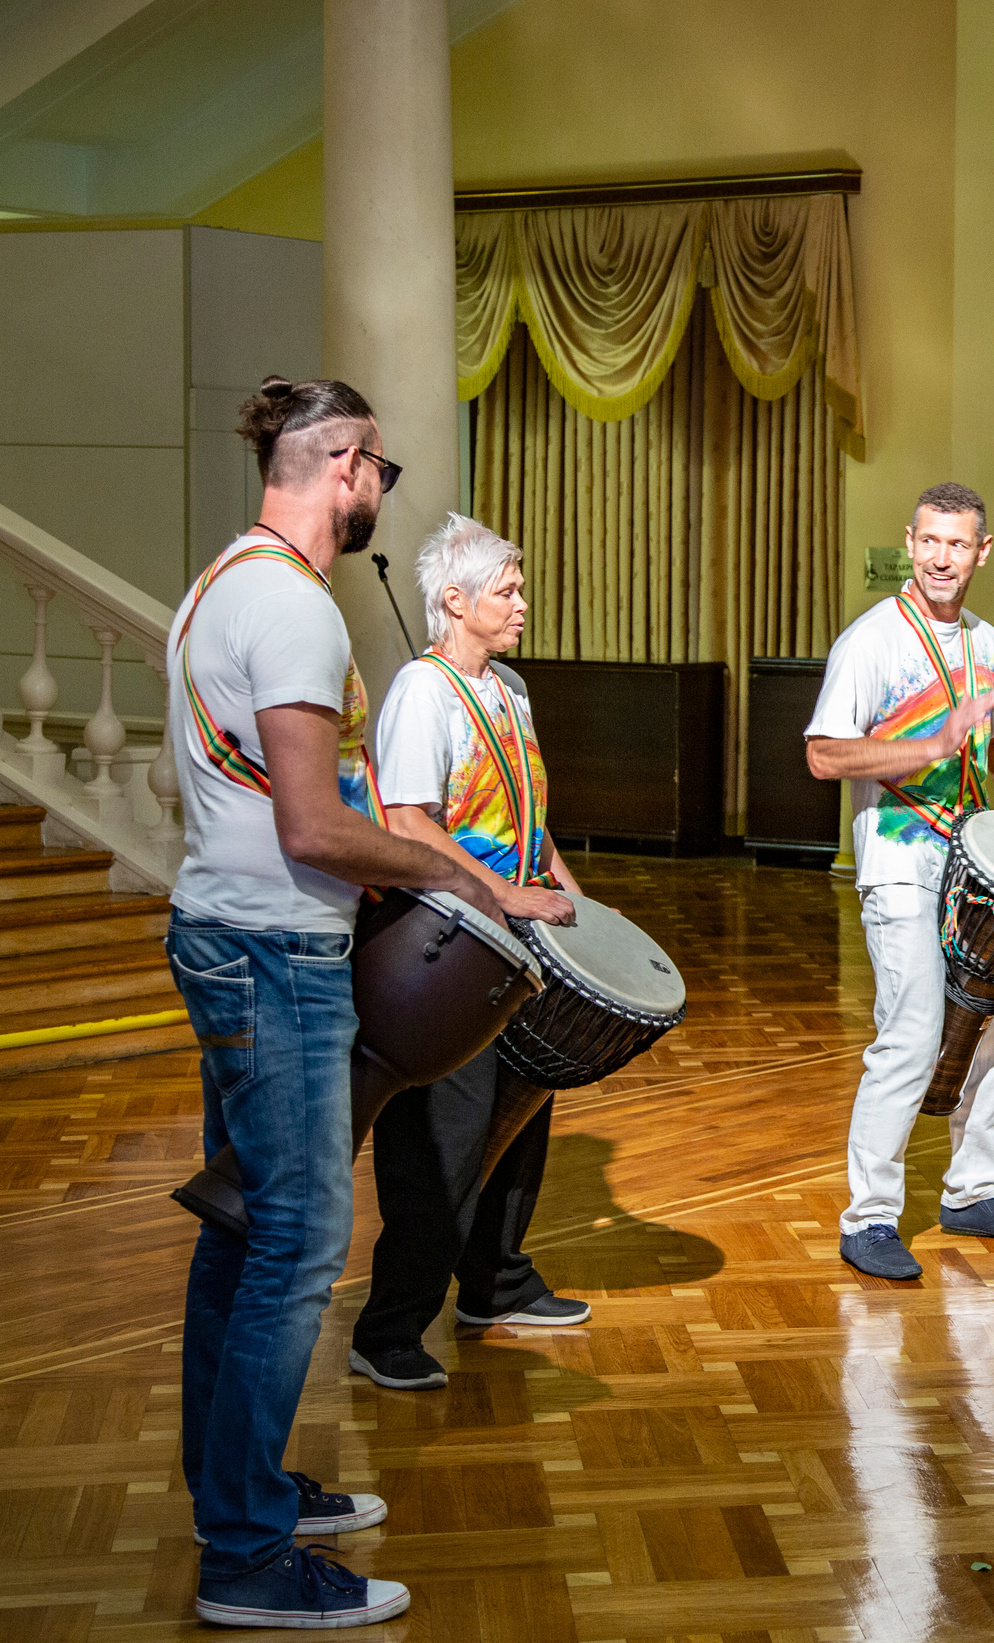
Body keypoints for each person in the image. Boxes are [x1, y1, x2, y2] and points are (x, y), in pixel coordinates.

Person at [169, 377, 505, 1628]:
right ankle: (248, 1559)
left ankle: (235, 1489)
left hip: (225, 931)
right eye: (380, 472)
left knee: (245, 1229)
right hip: (272, 954)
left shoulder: (220, 582)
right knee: (299, 1245)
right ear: (347, 465)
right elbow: (316, 827)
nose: (378, 492)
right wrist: (465, 875)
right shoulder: (294, 609)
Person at [804, 483, 994, 1281]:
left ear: (982, 551)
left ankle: (974, 1189)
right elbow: (824, 754)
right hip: (896, 859)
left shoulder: (987, 644)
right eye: (929, 541)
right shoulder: (872, 642)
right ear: (910, 543)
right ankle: (870, 1215)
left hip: (970, 863)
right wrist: (925, 746)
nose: (941, 558)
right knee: (913, 1031)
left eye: (958, 544)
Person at [347, 515, 589, 1394]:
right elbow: (408, 823)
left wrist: (566, 887)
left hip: (515, 943)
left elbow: (525, 810)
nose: (522, 603)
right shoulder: (423, 692)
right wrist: (506, 894)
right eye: (507, 590)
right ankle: (388, 1327)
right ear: (455, 601)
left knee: (520, 1118)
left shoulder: (510, 691)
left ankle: (496, 1282)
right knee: (442, 1144)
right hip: (446, 950)